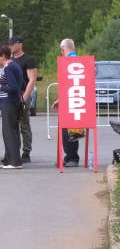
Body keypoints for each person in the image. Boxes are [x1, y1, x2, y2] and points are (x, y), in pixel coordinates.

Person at [0, 43, 24, 169]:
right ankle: (9, 158)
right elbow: (22, 84)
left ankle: (14, 161)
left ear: (3, 55)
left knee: (9, 131)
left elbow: (13, 87)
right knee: (9, 131)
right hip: (8, 101)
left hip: (9, 102)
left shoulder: (9, 67)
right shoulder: (12, 65)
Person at [51, 38, 80, 167]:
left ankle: (72, 157)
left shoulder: (69, 61)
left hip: (70, 100)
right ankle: (70, 157)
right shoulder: (77, 60)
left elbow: (67, 84)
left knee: (68, 131)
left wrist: (61, 99)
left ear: (63, 48)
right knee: (71, 130)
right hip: (75, 98)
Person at [8, 36, 37, 163]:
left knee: (24, 124)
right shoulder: (10, 60)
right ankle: (14, 150)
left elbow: (32, 79)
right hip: (12, 95)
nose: (10, 46)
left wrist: (25, 97)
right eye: (9, 44)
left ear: (19, 44)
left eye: (12, 44)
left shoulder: (28, 60)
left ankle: (26, 151)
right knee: (11, 124)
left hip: (23, 93)